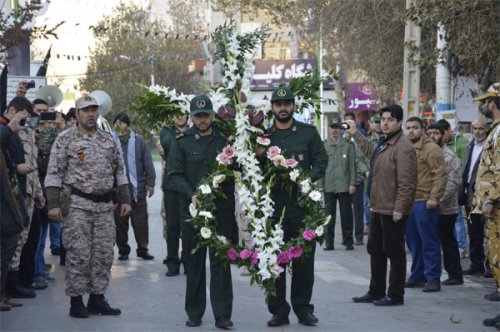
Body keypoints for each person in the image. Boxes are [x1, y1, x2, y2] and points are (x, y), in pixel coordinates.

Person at [44, 95, 131, 318]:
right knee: (79, 255)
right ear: (78, 113)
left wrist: (125, 199)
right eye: (86, 110)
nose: (91, 114)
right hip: (78, 207)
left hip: (104, 208)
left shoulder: (107, 140)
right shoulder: (65, 139)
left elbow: (119, 172)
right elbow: (54, 173)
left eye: (94, 110)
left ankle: (97, 298)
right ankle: (76, 301)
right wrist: (53, 205)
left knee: (103, 255)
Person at [168, 95, 237, 329]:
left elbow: (238, 167)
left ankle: (223, 315)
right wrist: (191, 194)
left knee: (221, 265)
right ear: (191, 117)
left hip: (221, 213)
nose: (202, 120)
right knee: (195, 264)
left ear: (212, 115)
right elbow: (173, 175)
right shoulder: (182, 142)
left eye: (206, 115)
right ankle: (194, 313)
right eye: (198, 116)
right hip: (193, 214)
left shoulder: (226, 141)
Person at [265, 86, 327, 327]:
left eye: (287, 104)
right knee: (274, 261)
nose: (283, 108)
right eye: (279, 104)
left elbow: (321, 159)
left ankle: (303, 308)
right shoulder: (263, 136)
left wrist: (308, 179)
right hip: (273, 209)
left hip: (302, 208)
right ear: (272, 107)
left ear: (293, 106)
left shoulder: (308, 133)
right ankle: (278, 310)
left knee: (303, 261)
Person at [349, 105, 417, 306]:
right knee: (375, 250)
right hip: (378, 207)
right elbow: (371, 151)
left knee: (394, 252)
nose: (385, 123)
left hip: (393, 210)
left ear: (399, 122)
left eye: (390, 119)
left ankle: (396, 295)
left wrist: (399, 208)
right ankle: (376, 291)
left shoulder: (403, 146)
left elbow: (407, 182)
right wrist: (356, 134)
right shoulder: (383, 143)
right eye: (383, 119)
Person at [404, 117, 447, 293]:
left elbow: (440, 175)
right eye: (408, 128)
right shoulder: (405, 147)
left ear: (422, 129)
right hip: (409, 202)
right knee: (413, 243)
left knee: (429, 242)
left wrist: (434, 198)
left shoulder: (432, 149)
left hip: (425, 201)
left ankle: (433, 278)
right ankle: (417, 276)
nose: (411, 131)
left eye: (415, 128)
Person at [113, 112, 156, 261]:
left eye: (122, 123)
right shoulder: (111, 141)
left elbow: (148, 162)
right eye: (117, 124)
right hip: (119, 191)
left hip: (138, 189)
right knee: (120, 223)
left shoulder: (138, 141)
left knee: (141, 223)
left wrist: (150, 183)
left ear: (128, 125)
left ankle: (142, 249)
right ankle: (123, 250)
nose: (120, 126)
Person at [472, 83, 500, 308]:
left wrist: (491, 199)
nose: (484, 105)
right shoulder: (496, 129)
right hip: (493, 205)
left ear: (493, 103)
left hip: (497, 204)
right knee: (494, 254)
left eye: (486, 101)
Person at [426, 123, 463, 285]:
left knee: (447, 242)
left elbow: (453, 183)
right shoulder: (425, 154)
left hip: (446, 208)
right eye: (430, 133)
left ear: (442, 135)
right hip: (427, 206)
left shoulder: (449, 156)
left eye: (436, 133)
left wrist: (436, 199)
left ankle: (455, 274)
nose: (433, 136)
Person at [0, 110, 30, 311]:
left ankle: (2, 294)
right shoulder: (5, 131)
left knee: (7, 253)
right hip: (4, 209)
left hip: (10, 203)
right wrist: (8, 129)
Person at [459, 117, 490, 276]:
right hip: (470, 194)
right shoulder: (470, 145)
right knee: (474, 231)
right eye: (475, 128)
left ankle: (491, 266)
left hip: (486, 194)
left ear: (487, 129)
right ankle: (476, 264)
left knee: (489, 232)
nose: (478, 131)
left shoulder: (490, 146)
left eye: (481, 128)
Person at [319, 118, 356, 251]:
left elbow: (352, 166)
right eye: (332, 127)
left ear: (340, 129)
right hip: (329, 186)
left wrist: (352, 183)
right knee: (328, 216)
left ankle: (348, 241)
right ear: (329, 129)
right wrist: (320, 184)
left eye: (337, 127)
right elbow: (320, 166)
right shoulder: (323, 145)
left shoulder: (348, 145)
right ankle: (329, 243)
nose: (334, 130)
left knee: (347, 215)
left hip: (344, 186)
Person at [160, 114, 189, 276]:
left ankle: (187, 261)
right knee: (172, 225)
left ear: (188, 115)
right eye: (176, 114)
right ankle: (172, 261)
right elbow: (170, 144)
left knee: (188, 225)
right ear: (171, 117)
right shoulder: (166, 132)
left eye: (182, 113)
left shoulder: (194, 130)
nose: (179, 117)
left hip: (188, 184)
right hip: (171, 185)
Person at [437, 118, 470, 258]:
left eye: (440, 133)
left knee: (457, 219)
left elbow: (463, 164)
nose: (437, 137)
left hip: (456, 188)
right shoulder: (435, 147)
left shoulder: (461, 144)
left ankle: (461, 246)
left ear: (449, 131)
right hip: (438, 194)